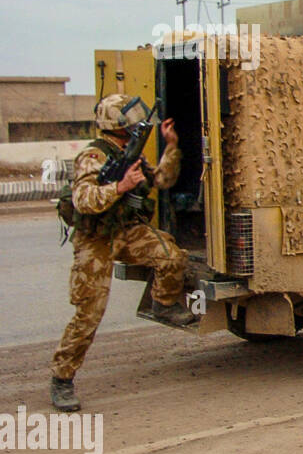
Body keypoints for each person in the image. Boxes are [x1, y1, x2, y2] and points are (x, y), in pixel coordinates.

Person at [50, 95, 197, 412]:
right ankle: (62, 378)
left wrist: (171, 147)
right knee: (89, 314)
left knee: (171, 255)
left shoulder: (127, 153)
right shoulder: (93, 156)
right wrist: (119, 187)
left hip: (125, 231)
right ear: (116, 125)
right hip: (96, 240)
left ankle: (163, 303)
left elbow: (162, 180)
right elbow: (83, 199)